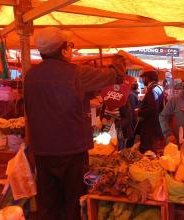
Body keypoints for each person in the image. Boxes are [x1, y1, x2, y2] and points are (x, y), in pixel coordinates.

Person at [24, 27, 126, 220]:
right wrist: (118, 62)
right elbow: (113, 77)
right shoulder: (76, 73)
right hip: (71, 151)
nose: (71, 50)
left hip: (42, 151)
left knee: (48, 203)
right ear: (63, 50)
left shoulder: (30, 75)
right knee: (74, 203)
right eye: (70, 46)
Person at [137, 70, 164, 153]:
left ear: (148, 78)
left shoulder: (153, 89)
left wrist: (139, 112)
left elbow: (152, 110)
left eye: (143, 78)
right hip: (156, 126)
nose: (142, 80)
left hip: (150, 128)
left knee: (147, 151)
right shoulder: (158, 87)